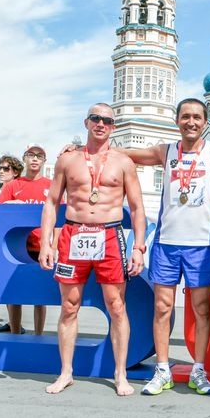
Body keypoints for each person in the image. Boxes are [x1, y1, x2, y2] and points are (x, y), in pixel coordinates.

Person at [117, 98, 210, 397]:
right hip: (166, 244)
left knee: (202, 309)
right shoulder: (166, 151)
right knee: (162, 308)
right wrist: (88, 150)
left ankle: (198, 369)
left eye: (197, 117)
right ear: (177, 120)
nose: (191, 122)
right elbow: (130, 154)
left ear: (204, 122)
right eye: (186, 116)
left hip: (201, 246)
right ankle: (162, 369)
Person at [39, 103, 146, 396]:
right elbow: (52, 202)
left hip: (109, 235)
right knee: (69, 305)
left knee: (117, 306)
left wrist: (138, 247)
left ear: (114, 126)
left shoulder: (123, 162)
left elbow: (137, 208)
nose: (101, 124)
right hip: (74, 234)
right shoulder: (68, 160)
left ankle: (120, 374)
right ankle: (66, 373)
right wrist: (46, 242)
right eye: (96, 119)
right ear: (86, 122)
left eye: (108, 121)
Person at [0, 145, 51, 335]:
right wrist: (11, 203)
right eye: (31, 155)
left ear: (44, 161)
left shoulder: (51, 186)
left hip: (40, 247)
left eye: (39, 156)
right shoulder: (13, 186)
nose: (35, 159)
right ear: (25, 159)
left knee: (40, 296)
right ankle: (15, 334)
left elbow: (59, 220)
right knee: (13, 294)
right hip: (15, 247)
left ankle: (39, 335)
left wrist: (53, 246)